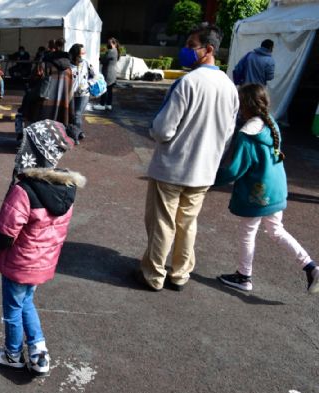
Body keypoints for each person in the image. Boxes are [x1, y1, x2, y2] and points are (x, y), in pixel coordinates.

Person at [138, 24, 239, 291]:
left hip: (172, 166)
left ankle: (154, 275)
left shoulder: (188, 83)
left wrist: (154, 132)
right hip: (204, 170)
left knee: (163, 222)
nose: (186, 50)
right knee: (187, 222)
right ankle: (181, 273)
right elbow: (228, 133)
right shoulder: (229, 87)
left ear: (209, 49)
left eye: (191, 45)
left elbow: (163, 129)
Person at [0, 119, 84, 376]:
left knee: (13, 310)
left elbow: (5, 233)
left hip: (18, 264)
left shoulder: (24, 190)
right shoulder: (67, 187)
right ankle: (39, 352)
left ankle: (12, 353)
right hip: (43, 263)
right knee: (27, 301)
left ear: (33, 152)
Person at [214, 84, 318, 293]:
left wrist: (211, 179)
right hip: (276, 188)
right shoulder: (271, 124)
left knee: (248, 232)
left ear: (244, 105)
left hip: (257, 192)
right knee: (276, 230)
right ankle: (311, 266)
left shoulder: (246, 133)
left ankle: (244, 276)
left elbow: (235, 169)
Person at [68, 43, 93, 143]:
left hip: (84, 94)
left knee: (77, 114)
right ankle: (78, 132)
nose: (83, 54)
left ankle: (75, 136)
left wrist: (88, 83)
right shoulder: (69, 65)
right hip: (72, 94)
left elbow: (96, 75)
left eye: (84, 52)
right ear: (75, 54)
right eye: (81, 53)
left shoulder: (86, 63)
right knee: (73, 115)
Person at [95, 37, 119, 111]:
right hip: (112, 72)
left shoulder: (111, 51)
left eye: (110, 43)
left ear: (114, 44)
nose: (108, 44)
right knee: (109, 89)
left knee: (104, 88)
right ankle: (108, 104)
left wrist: (100, 58)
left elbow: (103, 60)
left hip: (108, 72)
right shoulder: (115, 51)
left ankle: (102, 104)